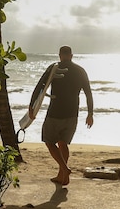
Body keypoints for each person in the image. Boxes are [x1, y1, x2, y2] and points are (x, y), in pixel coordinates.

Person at [27, 45, 93, 186]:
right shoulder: (80, 71)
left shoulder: (54, 68)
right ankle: (62, 175)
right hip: (72, 113)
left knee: (49, 141)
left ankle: (64, 169)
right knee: (63, 143)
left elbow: (40, 87)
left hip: (55, 112)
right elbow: (88, 93)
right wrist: (90, 114)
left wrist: (31, 106)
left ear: (59, 55)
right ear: (71, 55)